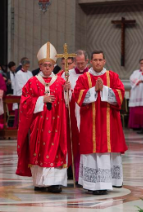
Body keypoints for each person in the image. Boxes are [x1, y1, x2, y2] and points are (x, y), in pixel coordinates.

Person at [16, 42, 70, 193]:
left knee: (56, 151)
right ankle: (40, 182)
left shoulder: (60, 82)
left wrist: (67, 91)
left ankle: (55, 183)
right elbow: (24, 103)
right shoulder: (32, 82)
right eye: (44, 65)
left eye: (50, 65)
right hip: (38, 126)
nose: (47, 67)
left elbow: (67, 104)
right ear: (39, 66)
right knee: (39, 151)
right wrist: (41, 100)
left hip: (56, 125)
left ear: (54, 66)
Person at [73, 50, 127, 195]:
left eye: (100, 60)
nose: (97, 62)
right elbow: (77, 95)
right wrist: (93, 90)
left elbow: (121, 94)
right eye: (95, 60)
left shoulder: (113, 76)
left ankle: (106, 183)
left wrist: (105, 90)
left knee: (106, 151)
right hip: (90, 122)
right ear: (90, 61)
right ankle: (91, 184)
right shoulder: (84, 78)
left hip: (109, 121)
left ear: (104, 61)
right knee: (91, 152)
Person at [60, 50, 88, 182]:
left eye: (83, 63)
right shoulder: (66, 74)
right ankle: (71, 169)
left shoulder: (90, 75)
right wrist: (64, 88)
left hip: (86, 112)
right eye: (78, 63)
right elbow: (57, 90)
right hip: (71, 111)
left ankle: (84, 171)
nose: (80, 66)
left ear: (87, 61)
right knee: (71, 140)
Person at [128, 59, 143, 129]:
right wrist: (139, 80)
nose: (142, 65)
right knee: (135, 109)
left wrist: (142, 74)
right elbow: (131, 78)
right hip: (136, 92)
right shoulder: (135, 72)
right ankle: (135, 125)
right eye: (141, 63)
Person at [12, 60, 33, 128]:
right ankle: (17, 127)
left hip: (29, 95)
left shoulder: (30, 73)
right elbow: (19, 85)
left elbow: (32, 83)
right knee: (19, 113)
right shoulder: (18, 74)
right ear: (22, 66)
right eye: (26, 66)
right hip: (21, 95)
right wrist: (27, 90)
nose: (27, 68)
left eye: (28, 66)